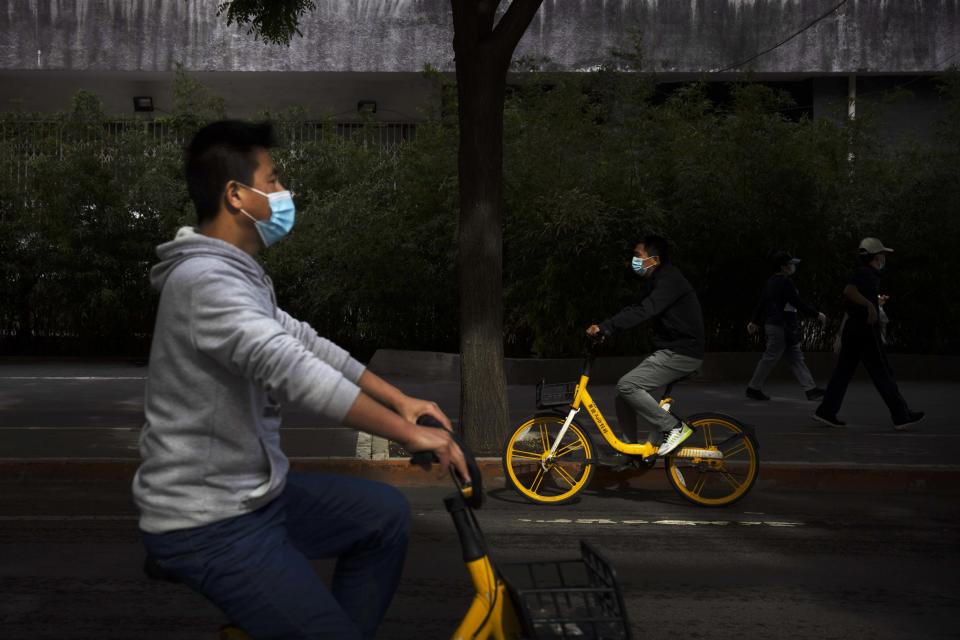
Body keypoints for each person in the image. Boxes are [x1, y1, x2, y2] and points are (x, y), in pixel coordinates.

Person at [132, 120, 467, 640]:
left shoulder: (238, 275)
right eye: (273, 179)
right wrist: (409, 434)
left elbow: (306, 343)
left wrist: (400, 400)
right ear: (237, 195)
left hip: (257, 496)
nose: (283, 193)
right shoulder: (203, 282)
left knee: (383, 517)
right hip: (210, 521)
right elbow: (292, 370)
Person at [586, 235, 705, 456]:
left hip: (682, 352)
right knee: (623, 394)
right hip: (673, 350)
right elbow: (635, 308)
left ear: (654, 259)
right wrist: (607, 329)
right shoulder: (656, 281)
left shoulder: (670, 281)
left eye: (638, 256)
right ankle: (629, 449)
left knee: (627, 385)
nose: (634, 260)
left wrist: (606, 328)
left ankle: (674, 428)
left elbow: (644, 311)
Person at [813, 237, 924, 431]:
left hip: (854, 331)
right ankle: (901, 416)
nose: (884, 258)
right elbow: (849, 291)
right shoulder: (866, 273)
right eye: (882, 254)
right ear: (875, 257)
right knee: (882, 373)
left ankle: (826, 412)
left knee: (843, 373)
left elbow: (855, 294)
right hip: (864, 331)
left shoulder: (866, 273)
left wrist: (873, 302)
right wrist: (870, 305)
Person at [745, 250, 827, 401]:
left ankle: (811, 389)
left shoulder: (770, 282)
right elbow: (797, 302)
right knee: (771, 357)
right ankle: (753, 387)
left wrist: (754, 321)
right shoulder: (785, 282)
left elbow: (762, 302)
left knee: (795, 357)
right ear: (783, 267)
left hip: (779, 326)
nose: (792, 267)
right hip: (781, 326)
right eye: (790, 264)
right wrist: (816, 314)